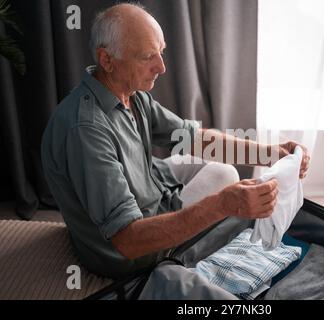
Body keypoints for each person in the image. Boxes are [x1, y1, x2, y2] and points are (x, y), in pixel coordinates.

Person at [41, 3, 310, 279]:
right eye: (148, 57)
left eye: (161, 52)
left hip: (149, 184)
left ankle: (186, 202)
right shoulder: (86, 130)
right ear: (107, 60)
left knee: (219, 168)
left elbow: (193, 139)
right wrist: (221, 204)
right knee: (226, 179)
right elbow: (128, 241)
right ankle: (181, 248)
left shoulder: (130, 93)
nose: (161, 67)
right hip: (127, 251)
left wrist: (269, 154)